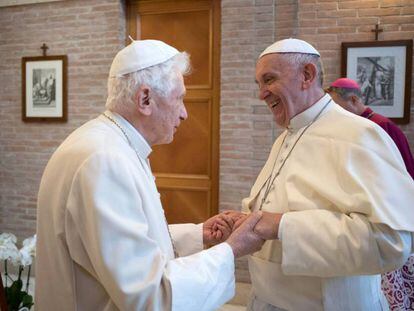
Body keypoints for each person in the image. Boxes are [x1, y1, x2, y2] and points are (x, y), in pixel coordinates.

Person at [35, 39, 265, 311]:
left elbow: (123, 243)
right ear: (145, 99)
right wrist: (231, 251)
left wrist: (198, 234)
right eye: (179, 98)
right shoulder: (105, 161)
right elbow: (148, 296)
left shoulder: (108, 143)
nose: (184, 113)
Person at [230, 38, 414, 310]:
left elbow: (391, 242)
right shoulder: (285, 137)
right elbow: (284, 203)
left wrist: (282, 226)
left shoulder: (360, 135)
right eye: (259, 84)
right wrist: (249, 219)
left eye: (269, 80)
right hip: (266, 300)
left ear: (307, 75)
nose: (261, 94)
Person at [327, 77, 414, 310]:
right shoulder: (347, 128)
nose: (333, 112)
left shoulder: (381, 127)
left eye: (336, 105)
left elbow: (404, 175)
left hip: (387, 215)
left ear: (354, 100)